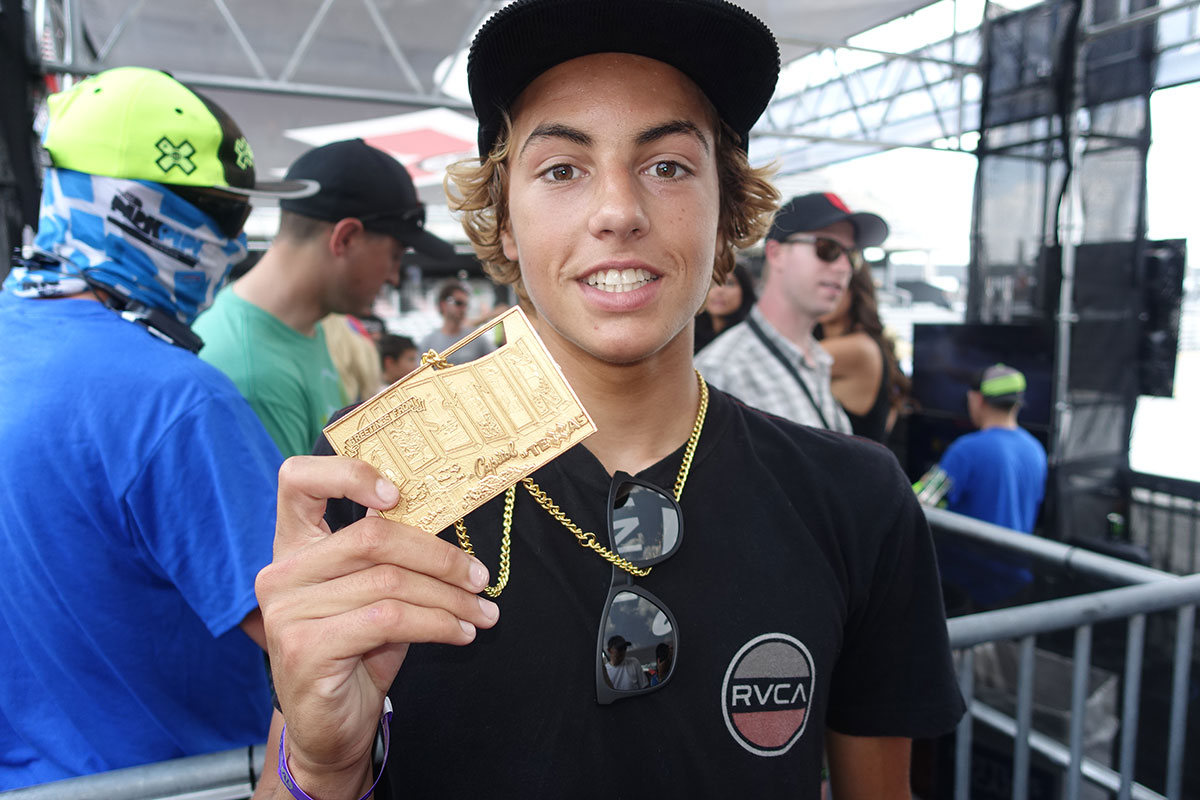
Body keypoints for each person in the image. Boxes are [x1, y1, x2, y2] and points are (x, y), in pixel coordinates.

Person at [252, 2, 964, 797]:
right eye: (562, 168)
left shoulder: (855, 502)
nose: (619, 211)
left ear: (728, 209)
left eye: (667, 166)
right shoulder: (375, 491)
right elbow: (301, 769)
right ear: (506, 219)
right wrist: (321, 764)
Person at [0, 66, 301, 787]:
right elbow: (313, 633)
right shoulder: (176, 402)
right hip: (190, 776)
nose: (235, 242)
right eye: (223, 215)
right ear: (139, 209)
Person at [194, 138, 453, 457]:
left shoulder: (306, 328)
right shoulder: (251, 373)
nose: (394, 277)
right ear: (345, 239)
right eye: (395, 255)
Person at [696, 192, 889, 433]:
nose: (844, 267)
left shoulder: (817, 359)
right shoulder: (722, 370)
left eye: (852, 256)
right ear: (776, 254)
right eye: (826, 248)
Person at [922, 364, 1048, 609]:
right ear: (1017, 402)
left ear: (977, 399)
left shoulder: (966, 449)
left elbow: (923, 500)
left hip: (967, 582)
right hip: (1015, 581)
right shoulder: (1035, 449)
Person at [816, 262, 910, 442]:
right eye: (819, 284)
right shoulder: (861, 343)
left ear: (854, 291)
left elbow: (782, 360)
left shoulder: (857, 348)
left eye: (833, 285)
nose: (823, 293)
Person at [418, 279, 495, 362]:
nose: (463, 309)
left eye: (466, 305)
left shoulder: (476, 339)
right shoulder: (428, 342)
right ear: (443, 304)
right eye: (458, 303)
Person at [693, 260, 755, 352]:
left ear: (744, 291)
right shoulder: (691, 337)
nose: (719, 291)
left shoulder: (750, 338)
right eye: (713, 283)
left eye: (729, 283)